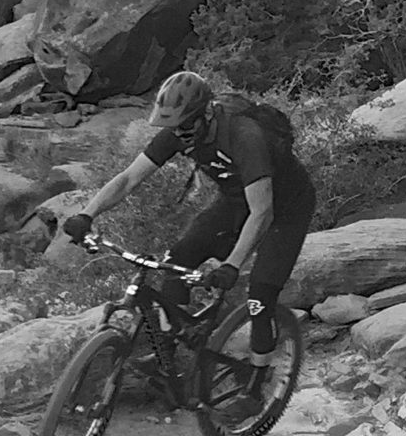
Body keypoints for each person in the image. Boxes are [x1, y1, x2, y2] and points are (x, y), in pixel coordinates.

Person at [60, 71, 316, 364]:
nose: (179, 133)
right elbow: (129, 178)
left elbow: (262, 211)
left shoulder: (245, 136)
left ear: (206, 113)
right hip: (236, 200)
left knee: (260, 296)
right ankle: (170, 354)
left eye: (185, 125)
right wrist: (86, 214)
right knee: (177, 259)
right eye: (173, 127)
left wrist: (233, 264)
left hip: (286, 209)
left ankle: (257, 385)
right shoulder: (180, 131)